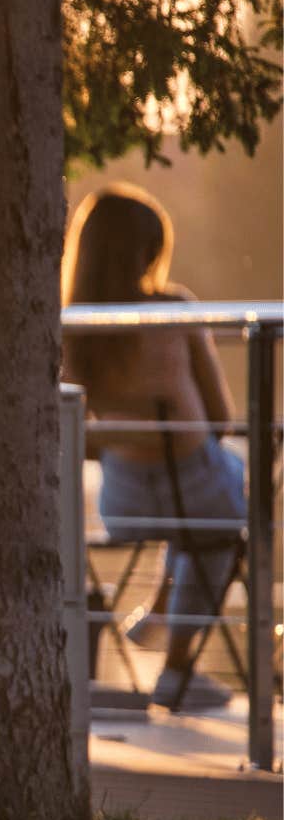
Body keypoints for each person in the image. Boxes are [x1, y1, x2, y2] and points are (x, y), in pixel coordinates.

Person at [61, 182, 245, 711]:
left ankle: (164, 605)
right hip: (197, 493)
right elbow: (222, 418)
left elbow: (74, 432)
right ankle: (178, 668)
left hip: (123, 505)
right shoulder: (175, 311)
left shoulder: (73, 326)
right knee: (223, 525)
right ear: (144, 252)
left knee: (199, 512)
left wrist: (123, 437)